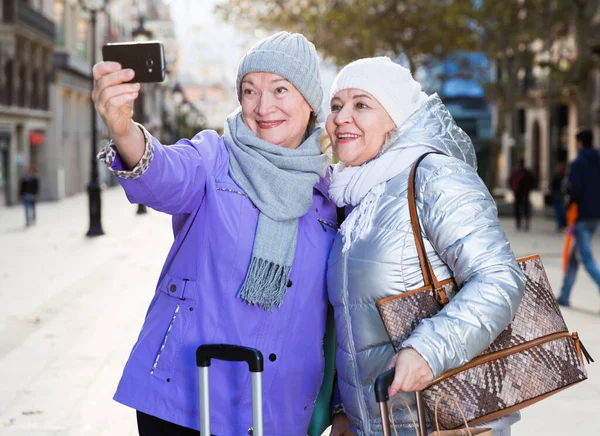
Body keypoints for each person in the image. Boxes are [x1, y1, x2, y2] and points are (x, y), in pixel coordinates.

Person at [92, 31, 337, 435]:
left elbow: (341, 314)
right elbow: (163, 175)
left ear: (309, 101)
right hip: (187, 396)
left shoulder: (330, 195)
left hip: (277, 408)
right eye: (249, 90)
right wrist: (123, 130)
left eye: (280, 89)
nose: (263, 106)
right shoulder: (212, 158)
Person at [325, 57, 526, 436]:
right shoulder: (355, 195)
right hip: (378, 421)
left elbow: (500, 279)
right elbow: (354, 320)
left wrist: (428, 352)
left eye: (361, 104)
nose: (340, 118)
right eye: (336, 106)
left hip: (446, 419)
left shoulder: (434, 175)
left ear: (397, 118)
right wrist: (343, 411)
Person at [556, 130, 600, 307]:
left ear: (580, 143)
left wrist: (568, 204)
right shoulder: (598, 161)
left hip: (580, 215)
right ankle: (564, 295)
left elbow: (575, 190)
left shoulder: (578, 163)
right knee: (575, 258)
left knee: (587, 258)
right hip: (595, 215)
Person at [509, 158, 535, 231]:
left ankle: (520, 223)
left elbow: (510, 181)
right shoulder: (526, 172)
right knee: (524, 209)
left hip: (519, 194)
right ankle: (523, 223)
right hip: (523, 194)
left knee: (519, 209)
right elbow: (532, 182)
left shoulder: (516, 172)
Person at [550, 160, 567, 231]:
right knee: (560, 210)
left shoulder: (557, 176)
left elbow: (552, 185)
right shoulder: (562, 177)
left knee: (558, 211)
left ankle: (560, 224)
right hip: (560, 195)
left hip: (556, 195)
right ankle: (561, 224)